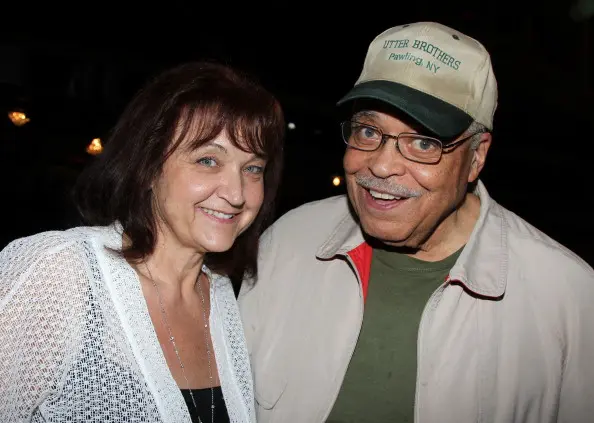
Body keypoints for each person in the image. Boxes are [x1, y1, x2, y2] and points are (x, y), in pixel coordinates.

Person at [238, 21, 594, 423]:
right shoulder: (288, 242)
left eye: (424, 142)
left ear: (476, 156)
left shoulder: (567, 298)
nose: (383, 165)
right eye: (369, 131)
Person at [0, 61, 285, 423]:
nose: (236, 193)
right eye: (208, 160)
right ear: (149, 167)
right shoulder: (62, 274)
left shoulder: (219, 295)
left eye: (253, 168)